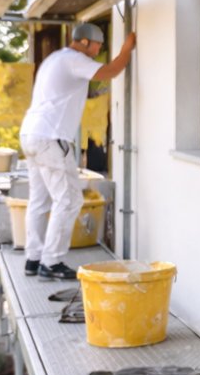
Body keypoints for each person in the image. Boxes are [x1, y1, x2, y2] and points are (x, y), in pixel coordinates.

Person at [18, 21, 135, 280]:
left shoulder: (56, 59)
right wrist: (127, 48)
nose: (98, 49)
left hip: (31, 134)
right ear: (84, 42)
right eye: (97, 45)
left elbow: (82, 90)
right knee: (69, 199)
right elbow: (110, 70)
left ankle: (33, 258)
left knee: (40, 200)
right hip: (50, 137)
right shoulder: (74, 59)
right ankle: (51, 262)